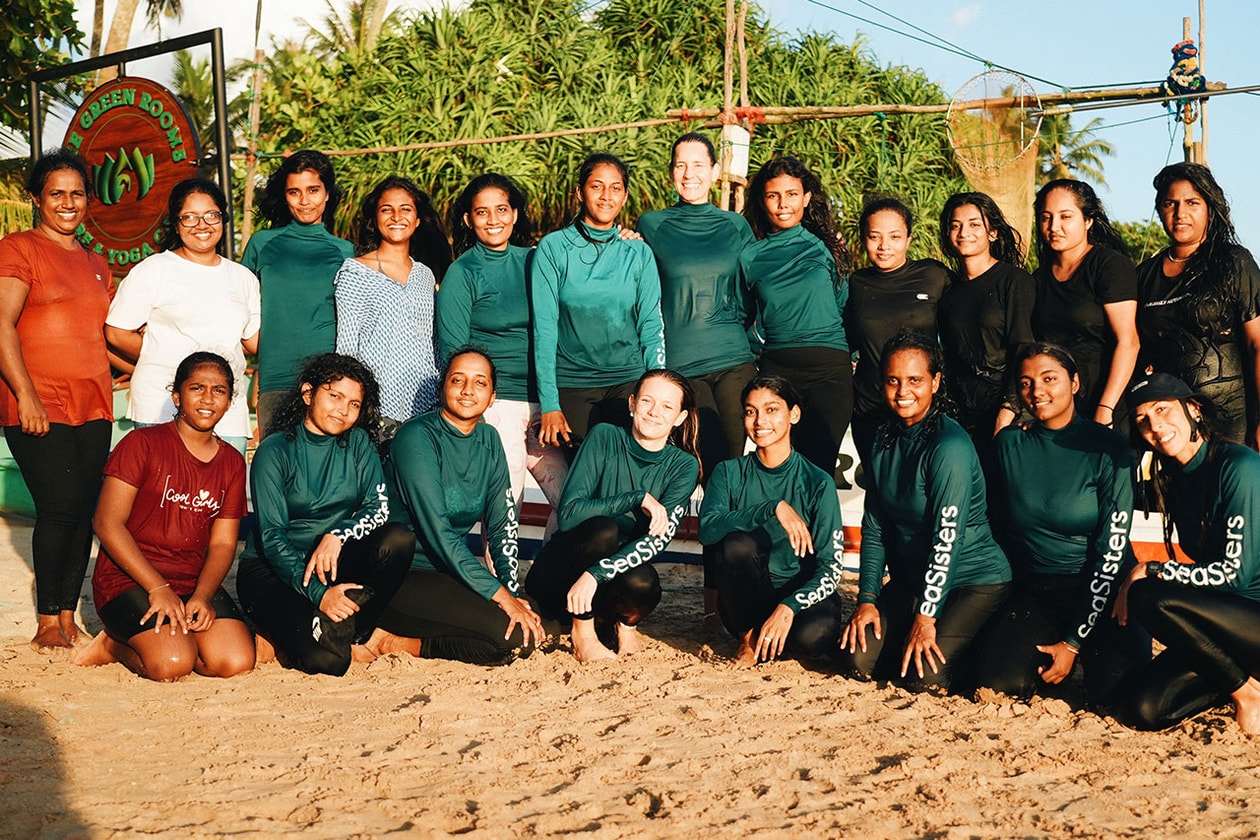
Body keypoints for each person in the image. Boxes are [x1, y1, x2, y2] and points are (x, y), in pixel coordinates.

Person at [975, 343, 1149, 702]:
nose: (1037, 391)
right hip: (1041, 590)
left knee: (1116, 696)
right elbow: (990, 523)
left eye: (1049, 378)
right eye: (1025, 382)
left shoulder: (1110, 449)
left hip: (1107, 590)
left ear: (1075, 383)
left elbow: (1110, 553)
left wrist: (1073, 642)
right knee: (1000, 683)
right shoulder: (1009, 444)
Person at [840, 332, 1011, 692]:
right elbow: (874, 528)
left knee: (924, 678)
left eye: (915, 380)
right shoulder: (883, 439)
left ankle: (982, 641)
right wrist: (868, 600)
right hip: (914, 580)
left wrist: (926, 616)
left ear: (935, 381)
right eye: (893, 380)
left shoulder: (949, 447)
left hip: (973, 579)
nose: (903, 391)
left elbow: (946, 540)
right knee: (858, 660)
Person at [73, 353, 254, 681]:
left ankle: (178, 633)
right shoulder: (142, 444)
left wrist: (202, 595)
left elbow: (225, 542)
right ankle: (114, 645)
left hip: (190, 581)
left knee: (234, 661)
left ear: (230, 402)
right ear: (177, 396)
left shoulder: (231, 462)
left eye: (219, 391)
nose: (207, 399)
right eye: (197, 388)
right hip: (131, 580)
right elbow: (106, 523)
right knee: (172, 662)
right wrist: (157, 588)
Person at [0, 149, 115, 651]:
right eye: (56, 193)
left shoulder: (96, 263)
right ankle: (47, 620)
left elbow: (101, 336)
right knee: (58, 505)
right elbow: (1, 324)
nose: (67, 203)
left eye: (76, 194)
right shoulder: (18, 248)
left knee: (83, 509)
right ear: (36, 199)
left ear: (88, 200)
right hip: (37, 401)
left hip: (95, 403)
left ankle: (69, 616)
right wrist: (25, 395)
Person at [236, 353, 415, 676]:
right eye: (334, 396)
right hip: (272, 570)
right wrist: (320, 595)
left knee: (397, 539)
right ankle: (285, 633)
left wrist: (338, 534)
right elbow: (272, 538)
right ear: (308, 394)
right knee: (327, 662)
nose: (343, 410)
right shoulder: (275, 451)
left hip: (330, 562)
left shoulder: (359, 443)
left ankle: (353, 632)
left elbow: (380, 508)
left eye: (354, 404)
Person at [369, 348, 548, 664]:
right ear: (442, 389)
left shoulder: (490, 439)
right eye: (457, 380)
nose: (468, 390)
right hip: (401, 573)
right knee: (511, 638)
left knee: (542, 624)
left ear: (492, 396)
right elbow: (438, 531)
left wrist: (511, 590)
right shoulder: (417, 436)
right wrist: (501, 598)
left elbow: (502, 524)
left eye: (480, 382)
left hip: (449, 572)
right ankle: (393, 641)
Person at [1111, 373, 1260, 735]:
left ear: (1193, 409)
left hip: (1251, 613)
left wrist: (1154, 568)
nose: (1154, 425)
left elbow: (1233, 575)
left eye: (1162, 409)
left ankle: (1246, 696)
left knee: (1150, 594)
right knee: (1144, 709)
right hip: (1228, 623)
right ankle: (1247, 679)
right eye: (1142, 418)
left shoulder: (1238, 466)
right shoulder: (1172, 475)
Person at [526, 369, 701, 663]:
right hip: (559, 576)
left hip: (599, 582)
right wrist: (636, 498)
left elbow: (656, 542)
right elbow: (568, 516)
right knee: (603, 529)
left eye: (667, 406)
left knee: (644, 584)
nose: (654, 412)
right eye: (647, 401)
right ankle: (582, 632)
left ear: (680, 417)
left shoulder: (683, 466)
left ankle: (624, 626)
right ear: (632, 403)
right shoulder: (604, 436)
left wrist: (596, 574)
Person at [437, 173, 568, 533]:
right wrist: (474, 413)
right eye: (482, 212)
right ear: (469, 219)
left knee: (572, 502)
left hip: (545, 405)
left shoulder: (537, 261)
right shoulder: (462, 272)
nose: (493, 220)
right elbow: (453, 352)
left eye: (501, 210)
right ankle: (500, 588)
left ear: (514, 214)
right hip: (497, 407)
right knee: (506, 509)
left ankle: (548, 582)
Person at [698, 375, 846, 667]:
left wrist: (788, 606)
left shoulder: (817, 481)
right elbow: (707, 530)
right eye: (751, 411)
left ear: (794, 414)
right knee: (735, 544)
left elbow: (831, 567)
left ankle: (776, 636)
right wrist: (771, 507)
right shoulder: (729, 473)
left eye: (771, 409)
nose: (759, 421)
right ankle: (749, 640)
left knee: (813, 639)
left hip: (799, 598)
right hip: (744, 603)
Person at [106, 178, 260, 452]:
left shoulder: (243, 278)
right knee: (165, 491)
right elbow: (116, 332)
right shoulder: (153, 270)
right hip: (162, 406)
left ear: (223, 218)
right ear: (176, 224)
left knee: (222, 491)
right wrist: (163, 355)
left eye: (211, 215)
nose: (202, 225)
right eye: (190, 217)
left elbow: (253, 342)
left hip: (227, 410)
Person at [638, 132, 757, 475]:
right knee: (707, 458)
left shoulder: (736, 226)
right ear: (672, 172)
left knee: (732, 465)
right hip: (684, 363)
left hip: (735, 359)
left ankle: (725, 530)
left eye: (698, 165)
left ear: (715, 171)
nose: (689, 174)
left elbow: (751, 290)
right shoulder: (652, 224)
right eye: (681, 166)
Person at [531, 152, 666, 453]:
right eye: (596, 186)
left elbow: (650, 323)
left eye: (615, 188)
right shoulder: (554, 248)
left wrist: (655, 390)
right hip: (574, 384)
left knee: (628, 478)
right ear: (580, 192)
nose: (606, 196)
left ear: (625, 195)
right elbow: (544, 330)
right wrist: (550, 403)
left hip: (628, 383)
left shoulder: (639, 253)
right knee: (585, 483)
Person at [740, 156, 853, 479]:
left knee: (818, 470)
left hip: (829, 372)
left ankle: (816, 531)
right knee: (779, 468)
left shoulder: (827, 249)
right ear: (762, 201)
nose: (783, 204)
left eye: (791, 194)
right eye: (773, 195)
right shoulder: (751, 256)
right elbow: (743, 315)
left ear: (806, 198)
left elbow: (843, 306)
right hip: (778, 370)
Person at [1135, 162, 1260, 446]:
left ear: (1209, 209)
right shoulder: (1144, 275)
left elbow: (1258, 343)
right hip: (1173, 428)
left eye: (1192, 202)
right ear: (1160, 210)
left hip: (1236, 420)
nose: (1180, 213)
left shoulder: (1234, 262)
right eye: (1170, 203)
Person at [243, 150, 354, 437]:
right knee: (279, 472)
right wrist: (259, 348)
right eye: (294, 192)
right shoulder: (262, 244)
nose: (305, 201)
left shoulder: (345, 252)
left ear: (327, 193)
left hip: (329, 384)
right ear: (285, 196)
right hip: (275, 380)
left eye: (313, 190)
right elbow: (238, 306)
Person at [335, 175, 450, 431]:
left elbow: (433, 341)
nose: (397, 216)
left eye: (406, 209)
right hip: (376, 404)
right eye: (387, 209)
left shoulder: (425, 275)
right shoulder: (355, 271)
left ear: (418, 220)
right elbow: (346, 344)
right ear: (375, 220)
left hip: (425, 402)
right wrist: (350, 399)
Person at [846, 198, 950, 463]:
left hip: (922, 408)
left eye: (894, 236)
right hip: (871, 408)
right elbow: (843, 340)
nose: (884, 246)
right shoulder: (856, 284)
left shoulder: (933, 275)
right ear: (863, 239)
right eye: (874, 237)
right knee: (880, 491)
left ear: (909, 239)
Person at [1031, 178, 1139, 432]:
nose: (1054, 226)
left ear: (1088, 221)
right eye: (1046, 218)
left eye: (1065, 217)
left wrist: (1106, 408)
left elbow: (1129, 342)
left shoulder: (1109, 266)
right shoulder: (1037, 278)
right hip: (1056, 409)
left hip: (1107, 406)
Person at [936, 192, 1035, 447]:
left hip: (1004, 408)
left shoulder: (1014, 281)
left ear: (993, 233)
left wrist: (1009, 410)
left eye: (974, 224)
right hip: (958, 412)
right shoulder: (949, 290)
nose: (963, 232)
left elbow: (1023, 348)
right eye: (955, 225)